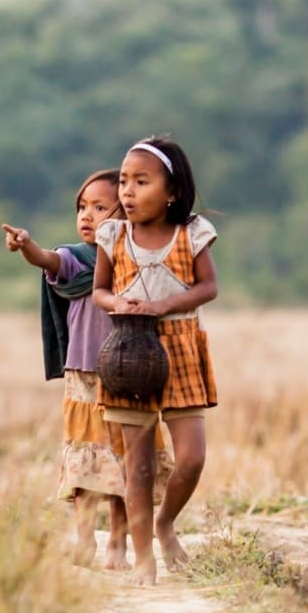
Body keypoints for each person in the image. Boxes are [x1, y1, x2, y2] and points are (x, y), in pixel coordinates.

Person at [3, 170, 172, 569]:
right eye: (82, 207)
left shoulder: (135, 260)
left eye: (99, 207)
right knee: (85, 467)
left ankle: (117, 542)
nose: (87, 216)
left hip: (126, 374)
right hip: (84, 378)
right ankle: (83, 541)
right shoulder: (76, 260)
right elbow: (46, 259)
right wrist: (27, 244)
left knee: (121, 463)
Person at [92, 136, 219, 586]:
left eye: (141, 182)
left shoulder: (191, 233)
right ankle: (143, 556)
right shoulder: (114, 235)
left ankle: (165, 523)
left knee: (191, 458)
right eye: (124, 181)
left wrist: (166, 305)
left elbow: (208, 287)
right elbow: (100, 290)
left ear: (171, 192)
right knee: (138, 465)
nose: (126, 191)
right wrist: (119, 305)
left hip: (181, 348)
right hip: (129, 353)